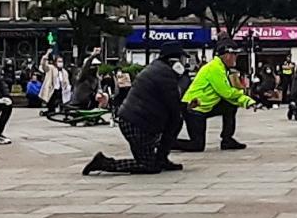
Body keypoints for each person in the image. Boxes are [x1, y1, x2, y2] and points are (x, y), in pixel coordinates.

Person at [83, 42, 187, 175]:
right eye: (182, 59)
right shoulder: (165, 75)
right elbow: (173, 106)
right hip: (136, 124)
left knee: (175, 122)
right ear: (174, 60)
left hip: (137, 121)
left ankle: (161, 159)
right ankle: (104, 163)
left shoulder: (159, 69)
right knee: (148, 166)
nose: (184, 63)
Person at [173, 40, 255, 152]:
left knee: (230, 106)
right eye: (234, 55)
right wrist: (246, 99)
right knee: (197, 145)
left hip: (205, 106)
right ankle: (167, 143)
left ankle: (227, 139)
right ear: (226, 56)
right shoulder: (214, 68)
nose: (236, 58)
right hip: (193, 108)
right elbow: (226, 92)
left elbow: (229, 94)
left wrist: (247, 102)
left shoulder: (222, 68)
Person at [38, 49, 72, 115]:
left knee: (63, 101)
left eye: (61, 61)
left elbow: (66, 82)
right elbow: (43, 65)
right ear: (55, 62)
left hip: (61, 90)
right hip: (52, 89)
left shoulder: (64, 72)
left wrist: (67, 88)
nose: (60, 63)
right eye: (59, 61)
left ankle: (62, 110)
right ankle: (50, 111)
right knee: (51, 103)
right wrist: (47, 54)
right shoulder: (51, 68)